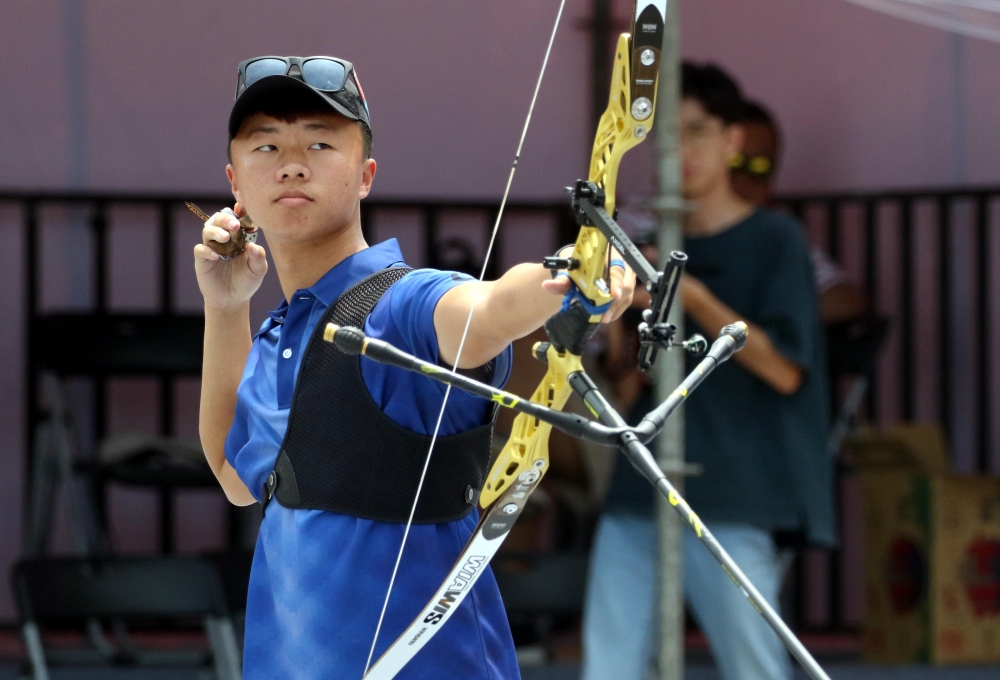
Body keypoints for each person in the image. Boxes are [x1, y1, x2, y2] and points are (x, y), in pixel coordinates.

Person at [194, 56, 636, 679]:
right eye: (266, 145)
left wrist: (567, 278)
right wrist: (225, 306)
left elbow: (482, 309)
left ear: (366, 175)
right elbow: (234, 476)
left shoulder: (399, 307)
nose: (292, 162)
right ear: (236, 183)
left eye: (321, 142)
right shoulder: (276, 335)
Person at [581, 63, 835, 680]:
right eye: (665, 135)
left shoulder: (774, 238)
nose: (680, 150)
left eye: (696, 131)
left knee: (755, 665)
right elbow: (621, 385)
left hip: (734, 488)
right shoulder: (643, 240)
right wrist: (614, 317)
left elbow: (786, 372)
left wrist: (689, 296)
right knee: (607, 664)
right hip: (641, 481)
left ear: (733, 139)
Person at [732, 100, 867, 324]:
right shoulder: (654, 229)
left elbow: (845, 300)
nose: (743, 182)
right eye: (733, 164)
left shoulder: (775, 234)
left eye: (760, 167)